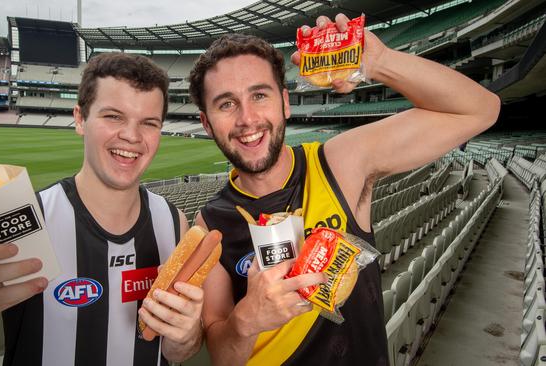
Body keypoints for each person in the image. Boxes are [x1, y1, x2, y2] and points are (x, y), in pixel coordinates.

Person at [188, 13, 500, 366]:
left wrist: (380, 63)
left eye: (259, 95)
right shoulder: (208, 224)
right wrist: (245, 322)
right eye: (226, 104)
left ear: (285, 102)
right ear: (207, 123)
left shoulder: (339, 163)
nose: (246, 119)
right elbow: (222, 356)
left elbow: (481, 110)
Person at [0, 53, 204, 366]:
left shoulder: (173, 221)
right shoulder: (26, 218)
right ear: (80, 119)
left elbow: (174, 351)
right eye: (113, 116)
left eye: (148, 123)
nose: (132, 136)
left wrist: (186, 336)